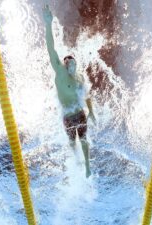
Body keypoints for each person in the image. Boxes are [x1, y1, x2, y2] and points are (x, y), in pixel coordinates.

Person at [43, 5, 96, 178]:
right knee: (72, 143)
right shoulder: (60, 74)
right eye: (68, 63)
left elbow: (86, 95)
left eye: (73, 63)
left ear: (76, 65)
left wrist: (92, 112)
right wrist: (48, 24)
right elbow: (51, 50)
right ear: (64, 66)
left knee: (83, 139)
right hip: (67, 116)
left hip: (79, 113)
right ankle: (76, 160)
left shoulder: (80, 78)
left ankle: (87, 166)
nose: (70, 65)